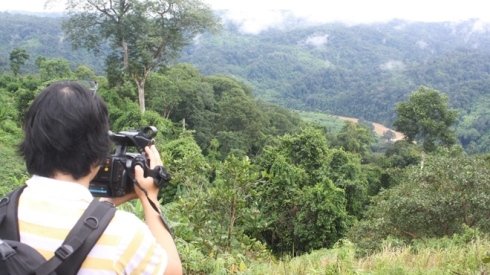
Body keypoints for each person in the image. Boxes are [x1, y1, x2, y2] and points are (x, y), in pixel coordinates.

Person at [16, 81, 183, 274]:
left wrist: (103, 208)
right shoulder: (124, 234)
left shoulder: (6, 211)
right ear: (99, 152)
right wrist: (149, 198)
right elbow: (174, 271)